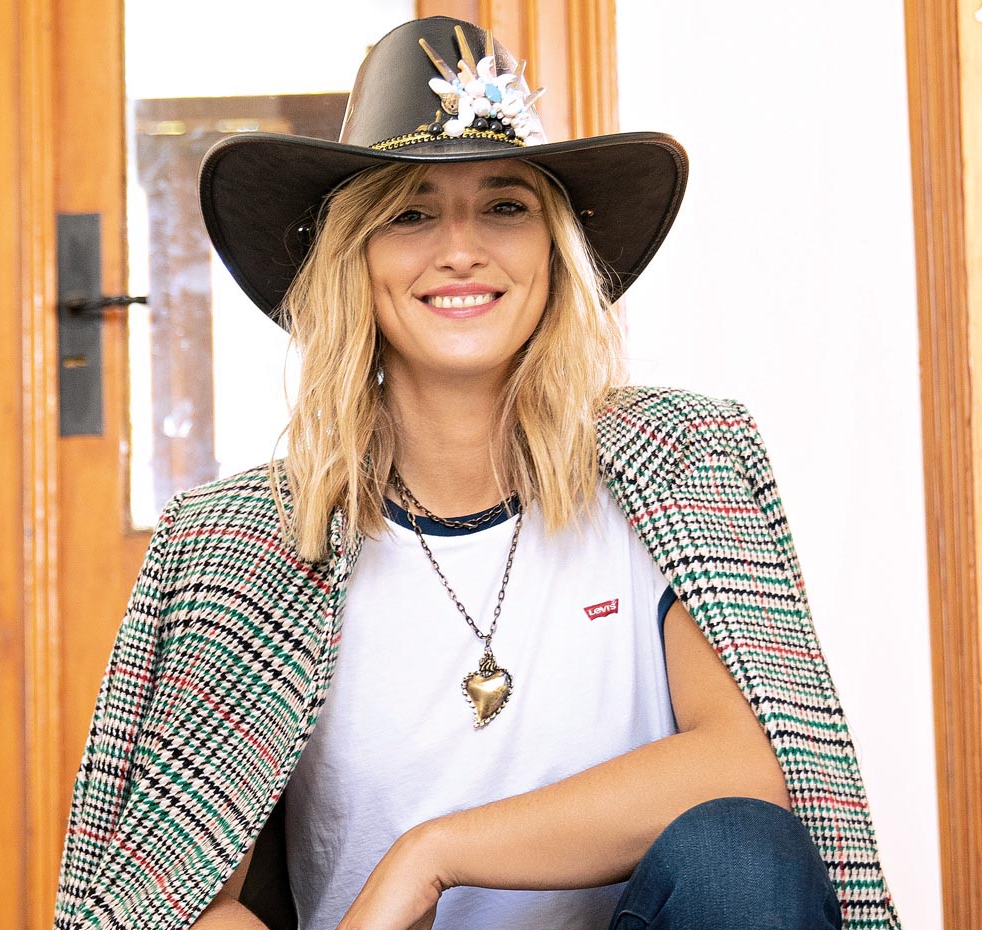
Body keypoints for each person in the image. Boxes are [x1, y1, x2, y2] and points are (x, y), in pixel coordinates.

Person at [54, 16, 899, 930]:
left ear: (554, 250)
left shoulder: (683, 463)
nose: (461, 249)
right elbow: (179, 901)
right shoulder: (239, 543)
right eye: (410, 213)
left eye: (505, 206)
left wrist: (433, 855)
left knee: (741, 856)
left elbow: (748, 765)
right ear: (353, 260)